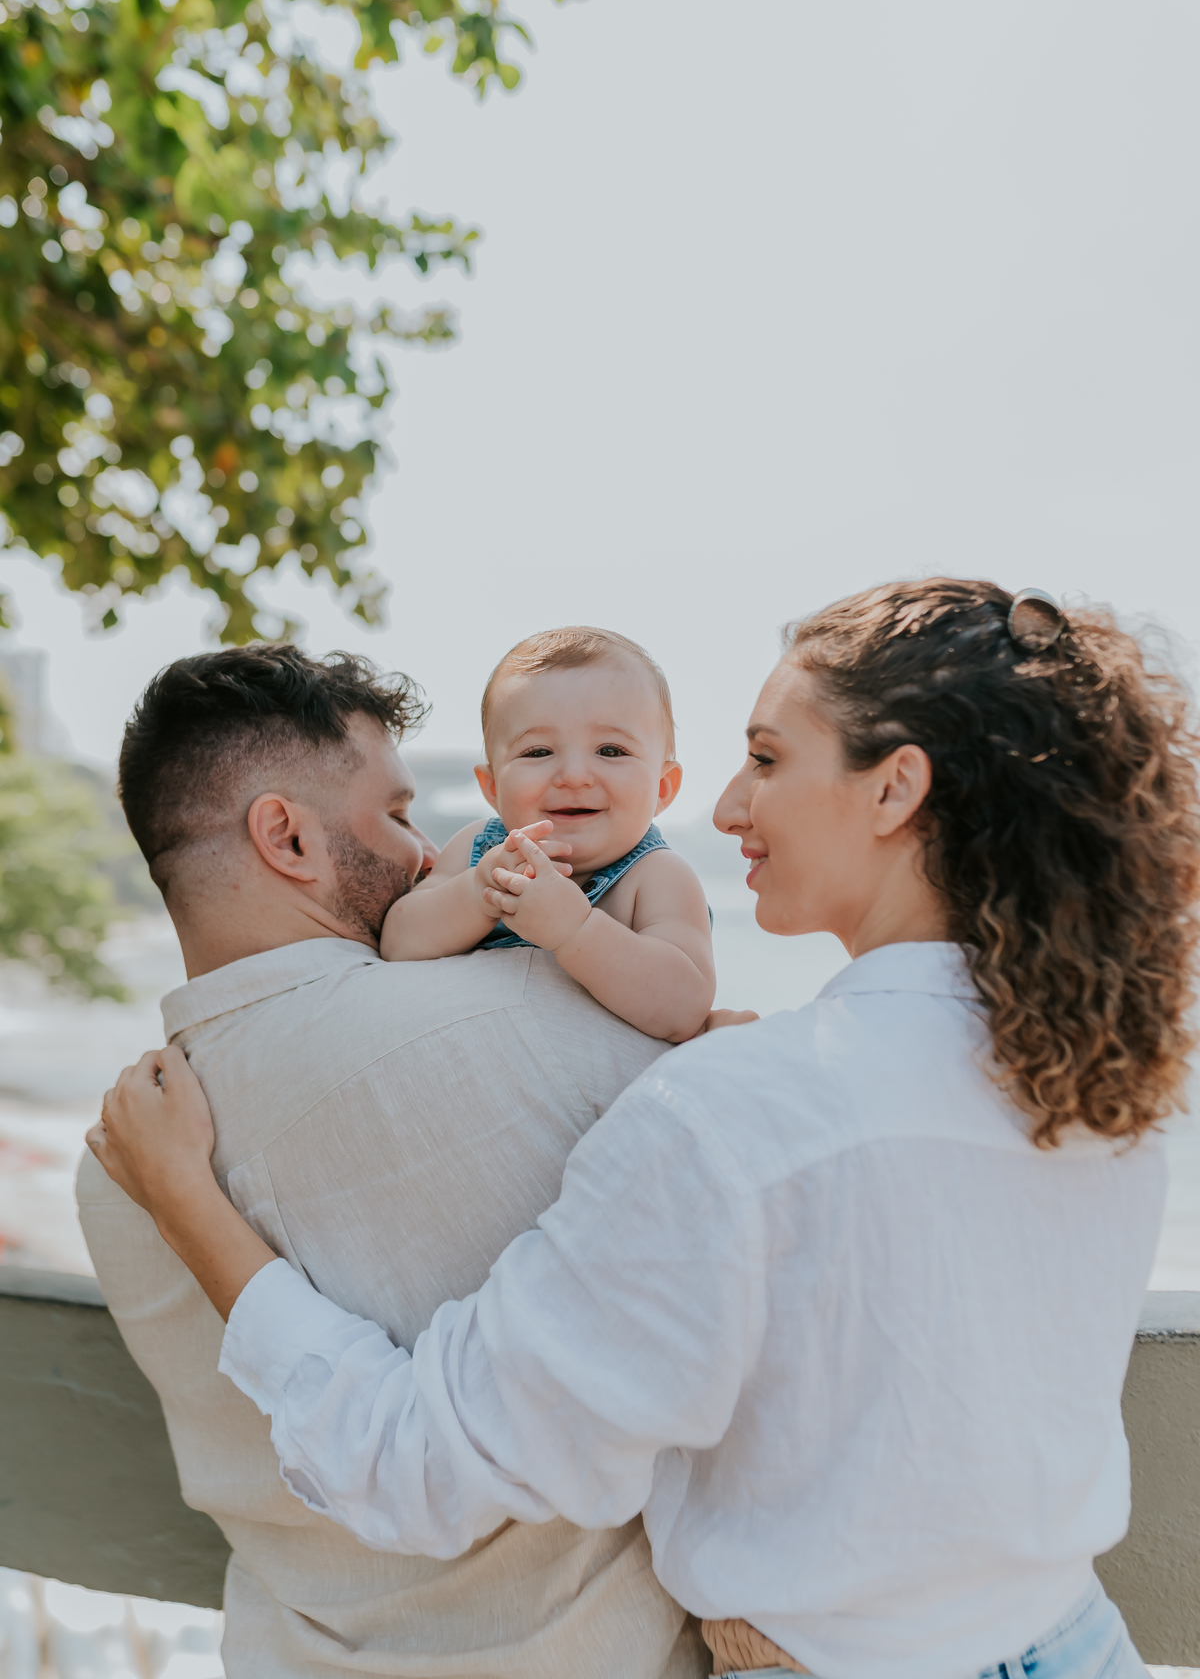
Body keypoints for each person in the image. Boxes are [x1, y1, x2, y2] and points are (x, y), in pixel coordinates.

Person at [92, 581, 1200, 1679]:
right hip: (1076, 1643)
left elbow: (418, 1464)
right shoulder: (1108, 1080)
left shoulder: (733, 1108)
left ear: (894, 788)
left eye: (766, 759)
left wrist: (190, 1202)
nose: (722, 808)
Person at [77, 642, 709, 1679]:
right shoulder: (537, 1023)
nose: (429, 856)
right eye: (402, 815)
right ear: (286, 836)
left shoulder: (114, 1170)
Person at [380, 626, 716, 1044]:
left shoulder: (658, 877)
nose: (574, 776)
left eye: (611, 750)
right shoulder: (478, 850)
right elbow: (398, 941)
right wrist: (478, 891)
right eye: (538, 752)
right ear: (493, 789)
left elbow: (683, 1007)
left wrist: (576, 930)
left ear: (662, 788)